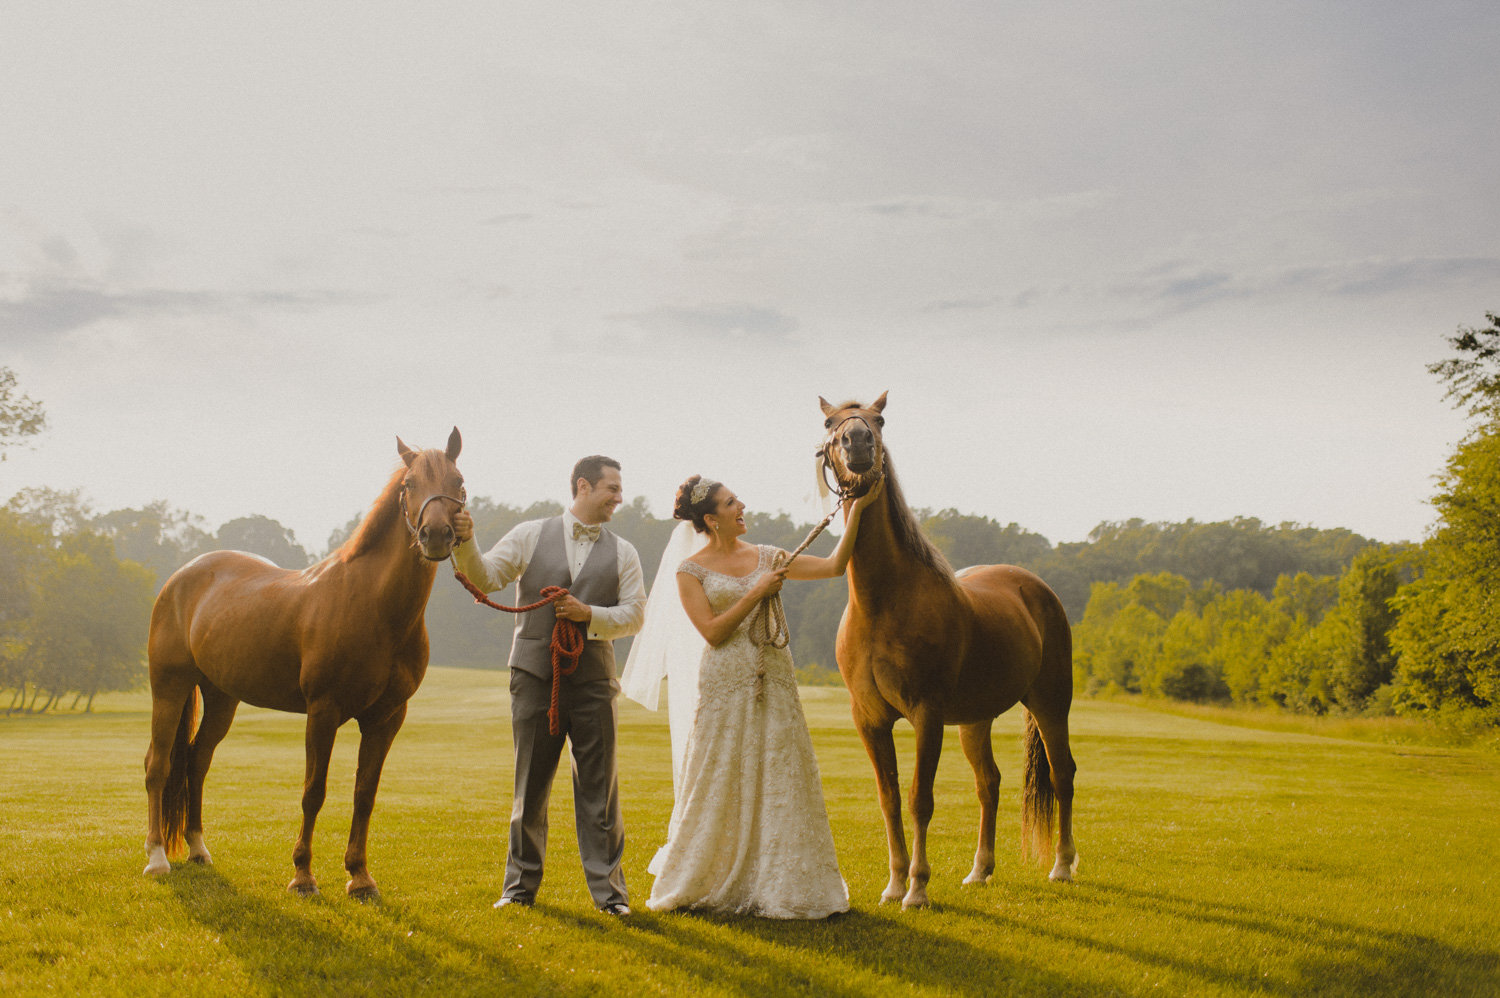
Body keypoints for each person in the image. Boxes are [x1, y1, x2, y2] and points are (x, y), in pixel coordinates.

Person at [620, 475, 878, 918]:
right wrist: (757, 592)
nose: (742, 506)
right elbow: (714, 632)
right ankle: (709, 875)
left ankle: (784, 879)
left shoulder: (770, 556)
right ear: (710, 519)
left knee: (781, 769)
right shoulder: (690, 571)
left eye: (738, 499)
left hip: (773, 676)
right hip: (724, 680)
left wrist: (855, 509)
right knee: (719, 772)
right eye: (730, 502)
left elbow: (836, 565)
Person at [452, 455, 646, 916]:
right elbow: (487, 577)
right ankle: (518, 890)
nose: (620, 498)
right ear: (583, 486)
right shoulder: (529, 534)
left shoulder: (624, 552)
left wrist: (589, 616)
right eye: (612, 489)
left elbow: (636, 614)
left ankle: (610, 897)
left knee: (600, 791)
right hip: (535, 677)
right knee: (530, 786)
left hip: (596, 681)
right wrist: (465, 540)